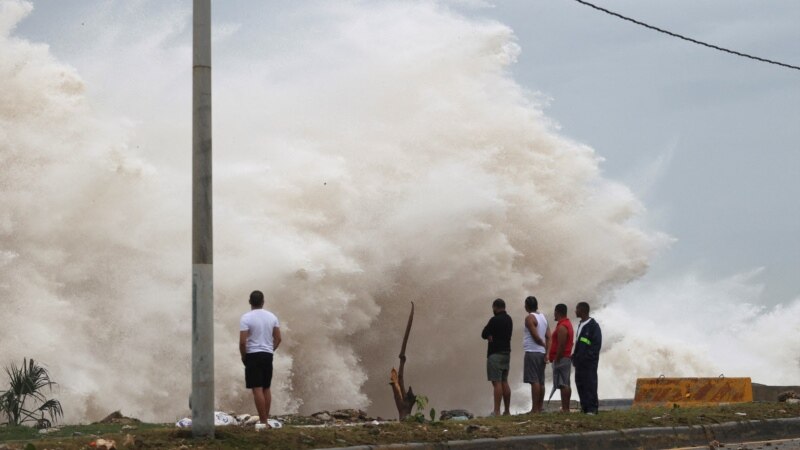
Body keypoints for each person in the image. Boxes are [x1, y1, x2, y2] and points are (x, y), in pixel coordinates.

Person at [239, 290, 282, 428]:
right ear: (263, 301)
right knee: (266, 387)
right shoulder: (272, 317)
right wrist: (270, 349)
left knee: (257, 388)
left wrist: (244, 356)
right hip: (267, 354)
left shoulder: (246, 318)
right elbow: (278, 338)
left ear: (250, 302)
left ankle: (263, 422)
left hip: (253, 354)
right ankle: (265, 420)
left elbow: (242, 342)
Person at [481, 298, 513, 416]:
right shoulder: (509, 319)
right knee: (504, 381)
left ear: (495, 307)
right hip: (506, 353)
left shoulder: (494, 320)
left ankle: (497, 411)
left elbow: (483, 334)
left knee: (496, 383)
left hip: (495, 354)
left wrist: (489, 334)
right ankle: (507, 411)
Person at [522, 296, 550, 414]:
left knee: (534, 381)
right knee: (540, 380)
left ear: (527, 306)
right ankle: (540, 407)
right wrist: (547, 352)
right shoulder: (543, 317)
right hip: (542, 353)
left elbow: (536, 336)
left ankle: (534, 409)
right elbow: (549, 336)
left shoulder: (529, 318)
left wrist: (542, 344)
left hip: (533, 352)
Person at [572, 301, 601, 414]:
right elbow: (579, 343)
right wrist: (575, 357)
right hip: (579, 363)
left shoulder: (593, 326)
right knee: (580, 384)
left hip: (589, 363)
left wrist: (587, 358)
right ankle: (585, 408)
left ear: (582, 310)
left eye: (577, 309)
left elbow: (596, 346)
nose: (575, 311)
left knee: (590, 384)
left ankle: (592, 409)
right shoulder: (580, 325)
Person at [548, 303, 574, 413]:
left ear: (557, 312)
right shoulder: (566, 324)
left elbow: (561, 345)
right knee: (565, 383)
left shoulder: (563, 326)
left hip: (562, 358)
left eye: (554, 312)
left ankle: (565, 408)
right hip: (564, 358)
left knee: (563, 384)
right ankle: (565, 408)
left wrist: (557, 358)